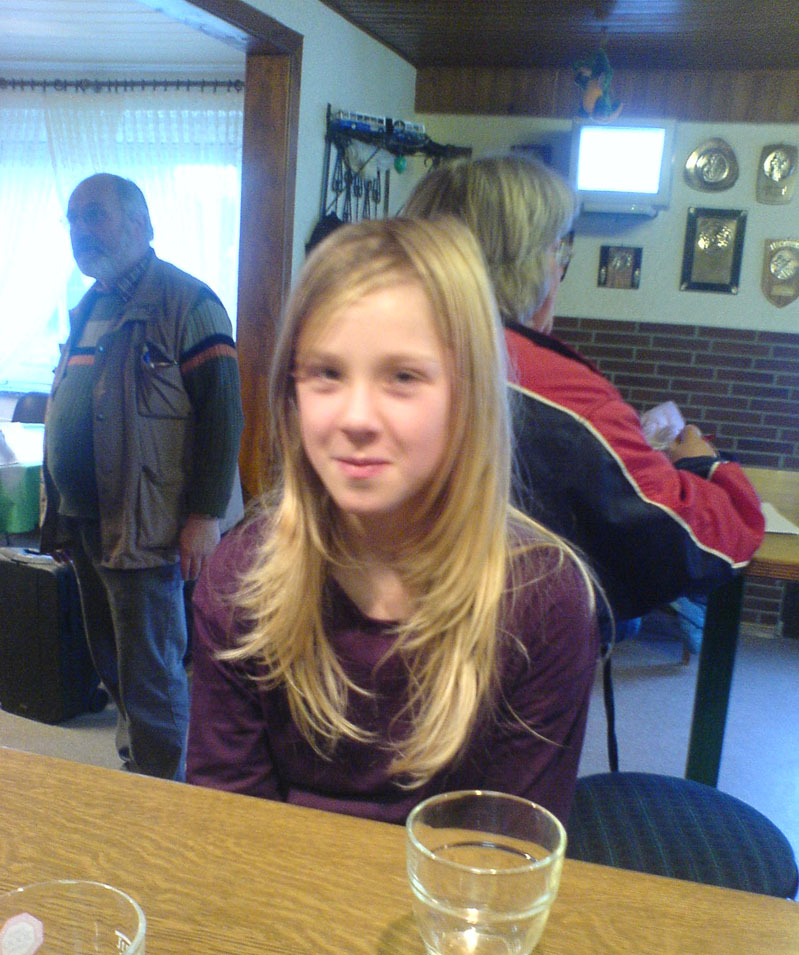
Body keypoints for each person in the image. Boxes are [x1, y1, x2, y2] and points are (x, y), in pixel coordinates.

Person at [186, 216, 599, 826]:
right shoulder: (241, 578)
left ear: (468, 396)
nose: (356, 417)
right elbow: (228, 820)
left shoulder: (541, 601)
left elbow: (507, 848)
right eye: (327, 373)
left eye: (403, 377)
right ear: (291, 394)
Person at [403, 155, 765, 627]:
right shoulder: (561, 393)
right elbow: (703, 546)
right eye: (558, 253)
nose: (559, 270)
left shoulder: (369, 354)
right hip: (513, 649)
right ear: (529, 266)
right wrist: (704, 465)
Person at [42, 173, 244, 780]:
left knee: (151, 673)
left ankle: (165, 793)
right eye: (73, 220)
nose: (80, 231)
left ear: (141, 223)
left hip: (145, 521)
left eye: (94, 216)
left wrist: (205, 516)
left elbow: (223, 415)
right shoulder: (90, 305)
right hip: (86, 520)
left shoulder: (189, 302)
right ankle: (139, 768)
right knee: (112, 663)